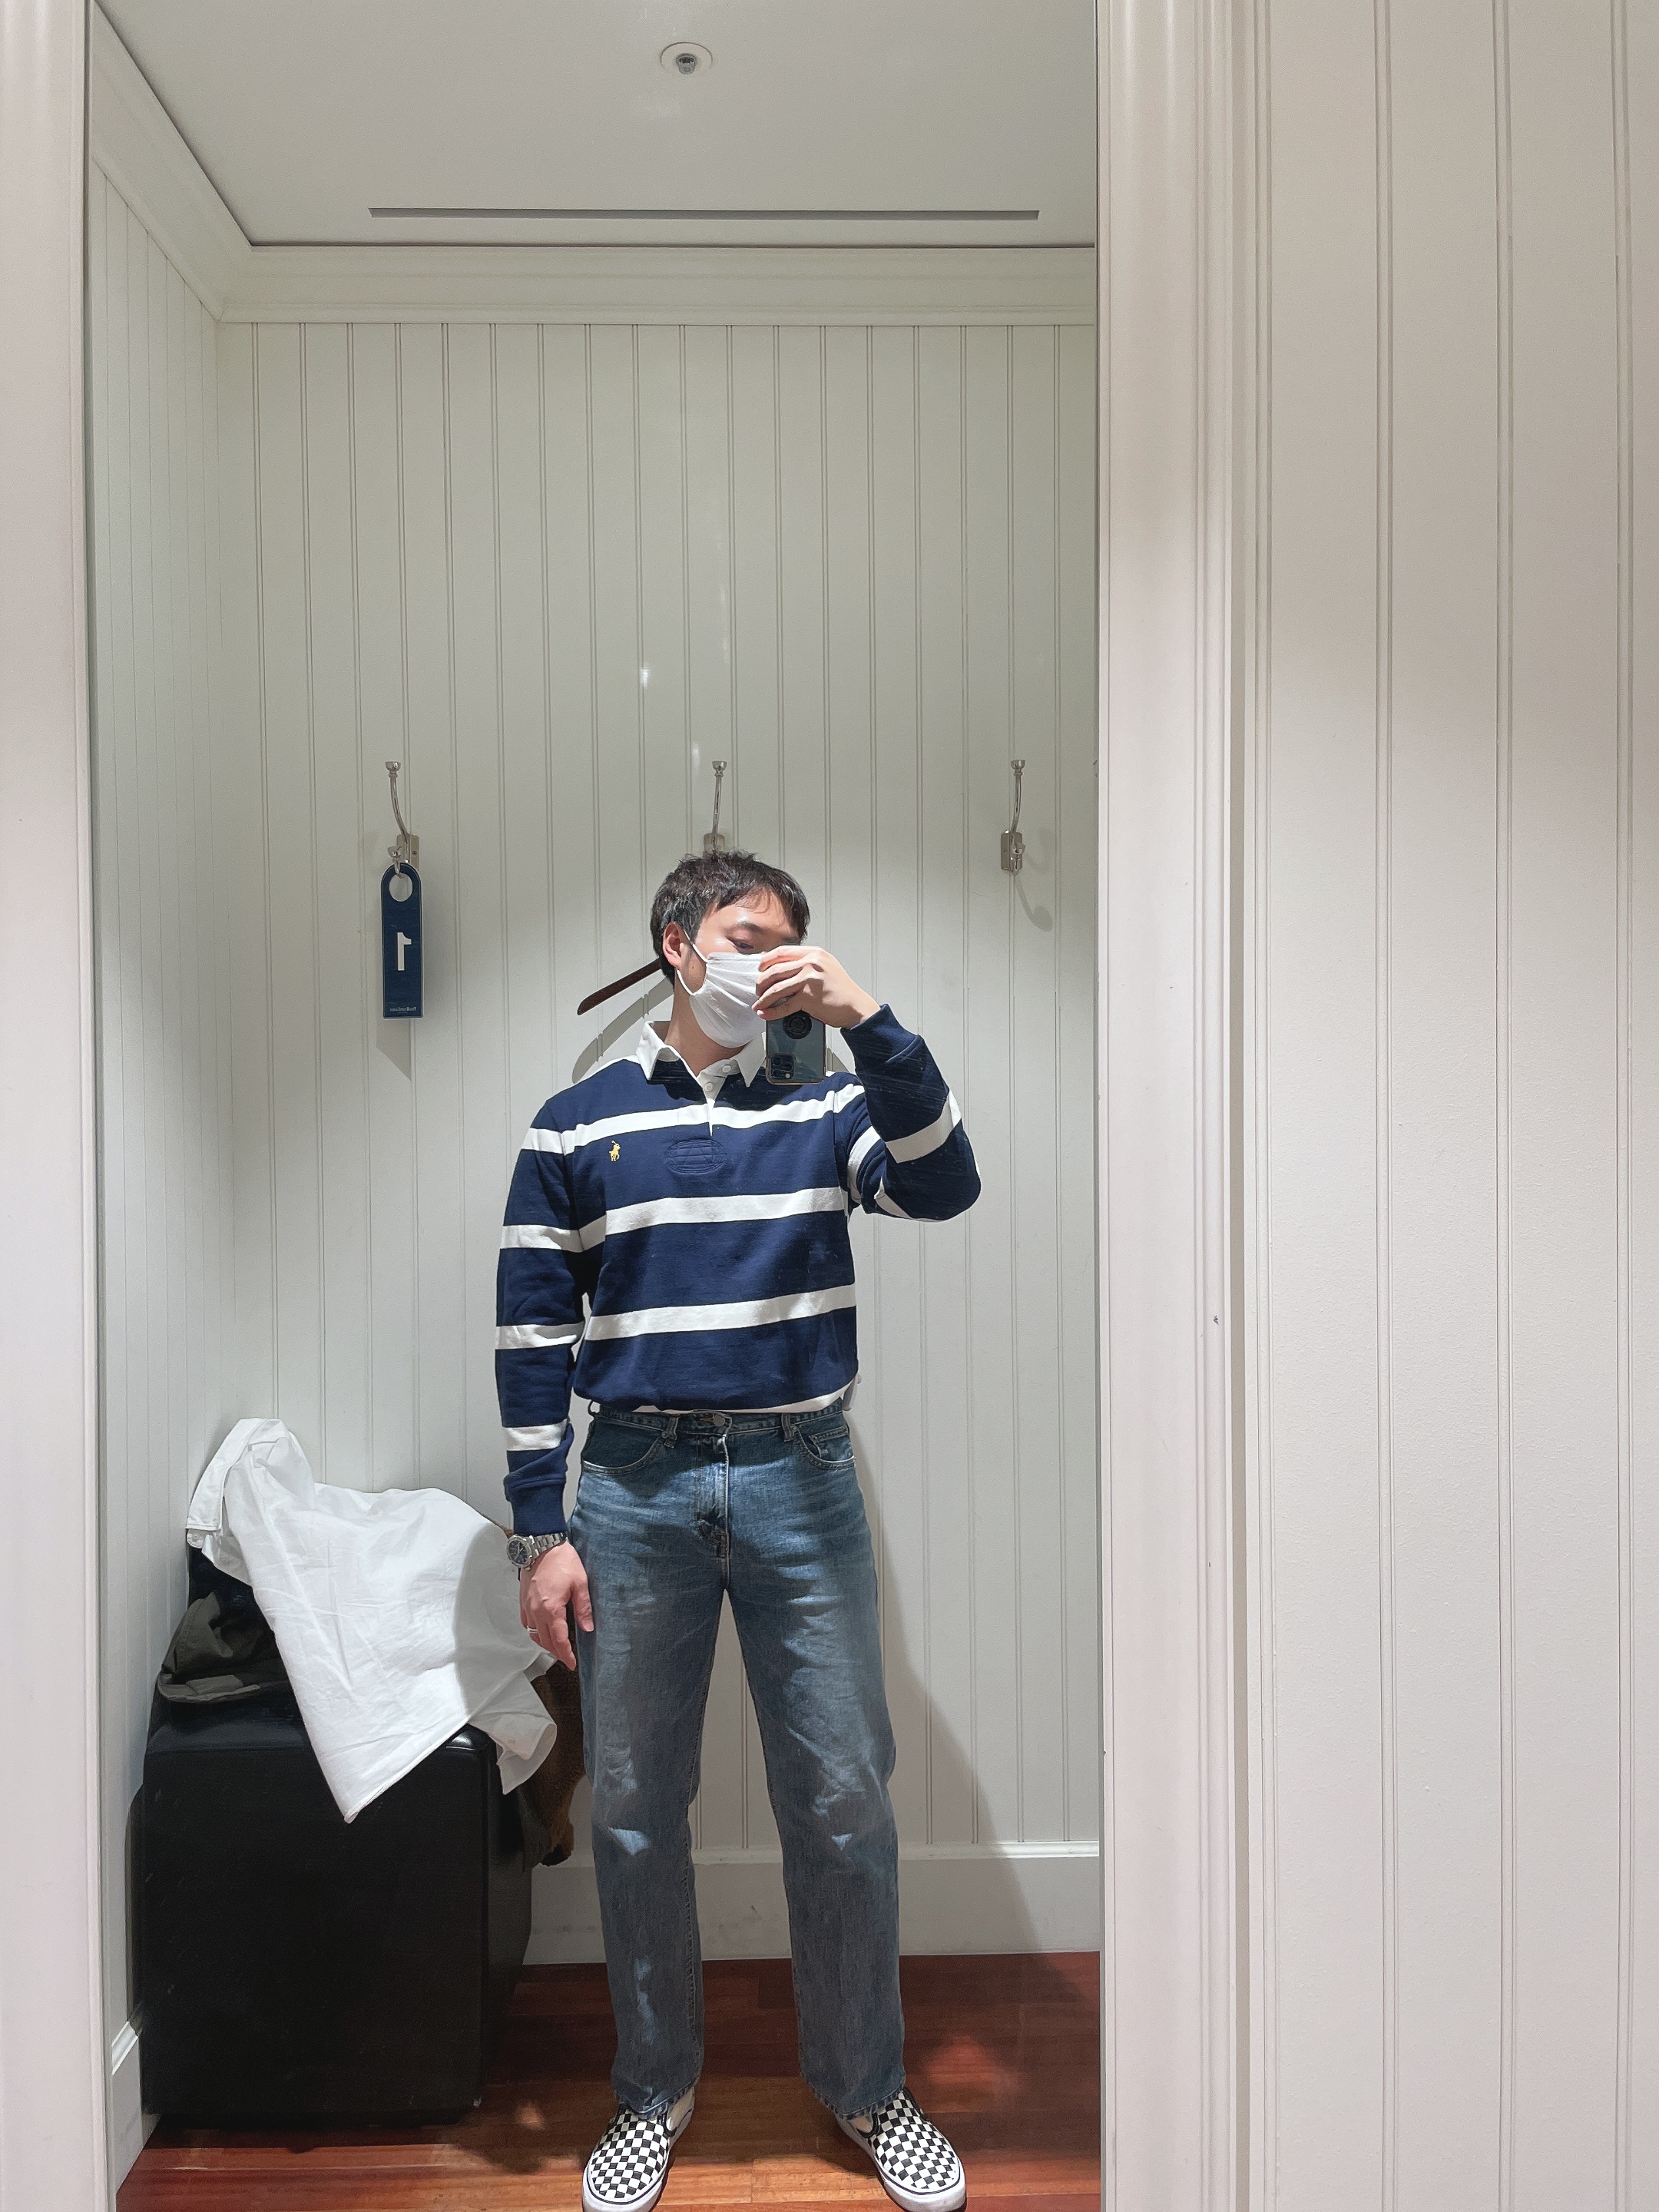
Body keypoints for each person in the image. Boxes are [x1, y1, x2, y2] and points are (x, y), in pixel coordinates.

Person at [495, 851, 979, 2212]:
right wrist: (540, 1534)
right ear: (677, 943)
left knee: (843, 1795)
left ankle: (867, 2085)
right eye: (747, 936)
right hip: (632, 1489)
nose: (770, 964)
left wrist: (866, 1016)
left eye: (789, 946)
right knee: (635, 1804)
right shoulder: (573, 1125)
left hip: (799, 1478)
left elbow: (947, 1185)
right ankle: (653, 2089)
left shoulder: (829, 1105)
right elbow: (531, 1336)